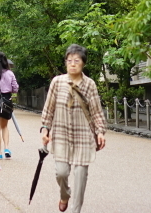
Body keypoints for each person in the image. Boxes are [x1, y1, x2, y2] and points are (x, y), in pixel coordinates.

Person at [40, 44, 107, 213]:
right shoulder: (57, 82)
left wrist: (100, 132)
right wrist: (45, 129)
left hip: (83, 137)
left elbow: (96, 111)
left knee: (81, 175)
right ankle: (64, 195)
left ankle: (75, 210)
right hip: (62, 134)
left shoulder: (90, 84)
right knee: (61, 173)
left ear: (83, 63)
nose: (72, 64)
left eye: (76, 60)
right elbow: (49, 108)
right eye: (69, 60)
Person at [0, 52, 18, 160]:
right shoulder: (10, 73)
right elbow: (15, 88)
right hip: (6, 101)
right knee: (4, 126)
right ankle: (7, 149)